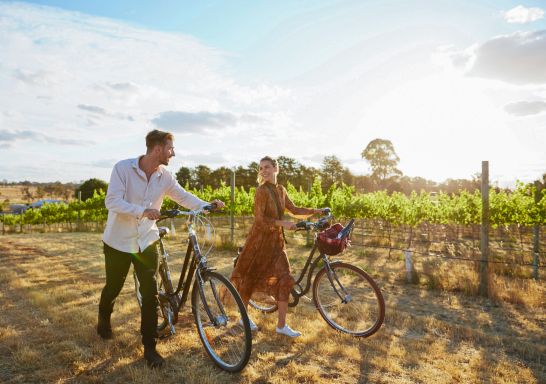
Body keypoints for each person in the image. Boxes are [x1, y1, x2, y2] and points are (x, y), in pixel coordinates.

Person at [97, 129, 224, 368]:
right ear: (157, 149)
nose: (173, 153)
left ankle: (150, 347)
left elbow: (183, 197)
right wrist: (142, 211)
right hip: (118, 242)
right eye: (170, 148)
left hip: (147, 240)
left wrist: (206, 205)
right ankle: (103, 318)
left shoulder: (165, 176)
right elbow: (111, 201)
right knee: (113, 287)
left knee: (150, 293)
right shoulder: (122, 169)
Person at [230, 156, 324, 338]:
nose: (263, 170)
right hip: (258, 243)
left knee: (286, 279)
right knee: (249, 280)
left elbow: (294, 209)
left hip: (276, 244)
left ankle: (281, 325)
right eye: (261, 168)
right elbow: (259, 219)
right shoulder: (261, 191)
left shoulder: (281, 190)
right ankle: (244, 318)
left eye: (267, 167)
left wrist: (315, 211)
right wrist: (282, 223)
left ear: (276, 169)